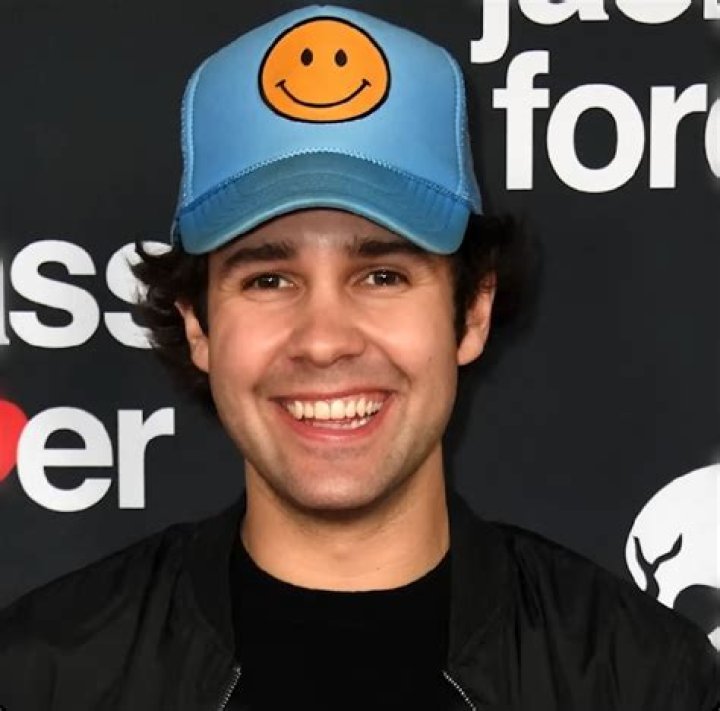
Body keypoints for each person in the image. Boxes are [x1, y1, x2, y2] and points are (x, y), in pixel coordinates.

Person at [0, 5, 717, 710]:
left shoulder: (642, 681)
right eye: (269, 279)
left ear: (472, 312)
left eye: (382, 275)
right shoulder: (44, 676)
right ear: (198, 326)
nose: (324, 340)